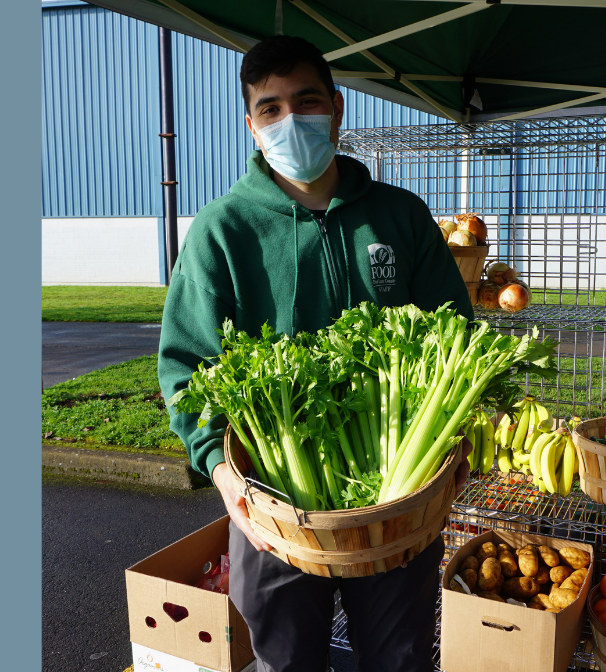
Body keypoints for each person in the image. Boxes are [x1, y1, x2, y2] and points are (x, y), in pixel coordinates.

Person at [157, 35, 473, 672]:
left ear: (336, 107)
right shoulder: (224, 229)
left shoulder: (401, 217)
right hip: (273, 502)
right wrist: (221, 472)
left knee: (401, 656)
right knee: (286, 658)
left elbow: (457, 335)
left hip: (395, 505)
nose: (289, 119)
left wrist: (460, 439)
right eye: (270, 108)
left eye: (305, 101)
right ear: (252, 124)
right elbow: (185, 365)